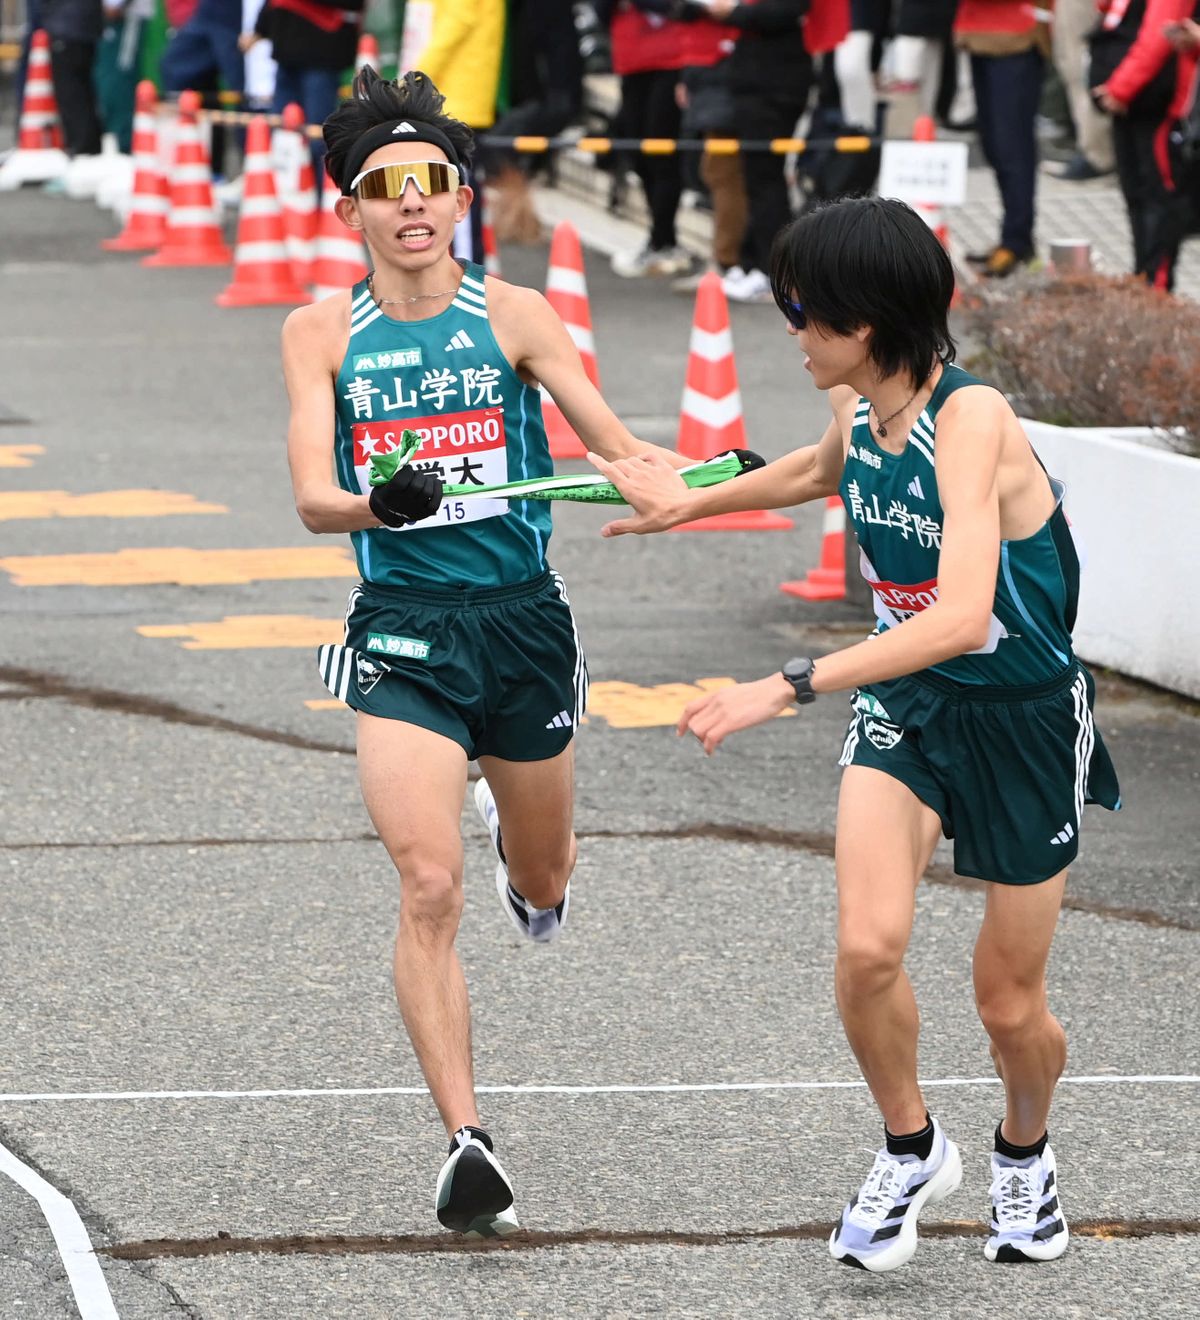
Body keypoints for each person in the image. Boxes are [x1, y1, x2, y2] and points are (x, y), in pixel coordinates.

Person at [588, 196, 1121, 1271]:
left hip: (1019, 723)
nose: (790, 329)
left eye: (803, 311)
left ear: (865, 324)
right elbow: (814, 468)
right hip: (908, 710)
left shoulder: (971, 420)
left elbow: (965, 615)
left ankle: (1026, 1156)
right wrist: (686, 500)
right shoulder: (858, 408)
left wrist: (788, 684)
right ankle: (912, 1146)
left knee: (1009, 1003)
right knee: (868, 948)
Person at [282, 66, 696, 1238]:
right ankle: (468, 1140)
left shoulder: (515, 316)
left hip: (522, 624)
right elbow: (316, 496)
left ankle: (533, 877)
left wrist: (660, 478)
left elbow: (607, 438)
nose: (412, 203)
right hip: (404, 635)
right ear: (348, 210)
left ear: (462, 197)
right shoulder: (320, 333)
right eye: (384, 186)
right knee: (426, 882)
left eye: (433, 182)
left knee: (544, 873)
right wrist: (382, 504)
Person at [1093, 0, 1200, 291]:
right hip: (1137, 102)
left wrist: (1120, 89)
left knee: (1158, 202)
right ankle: (1144, 280)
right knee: (1138, 197)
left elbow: (1157, 38)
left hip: (1158, 106)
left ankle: (1155, 287)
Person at [954, 0, 1051, 276]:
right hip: (978, 31)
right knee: (994, 145)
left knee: (1012, 146)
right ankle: (1015, 235)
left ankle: (1017, 240)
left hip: (1017, 34)